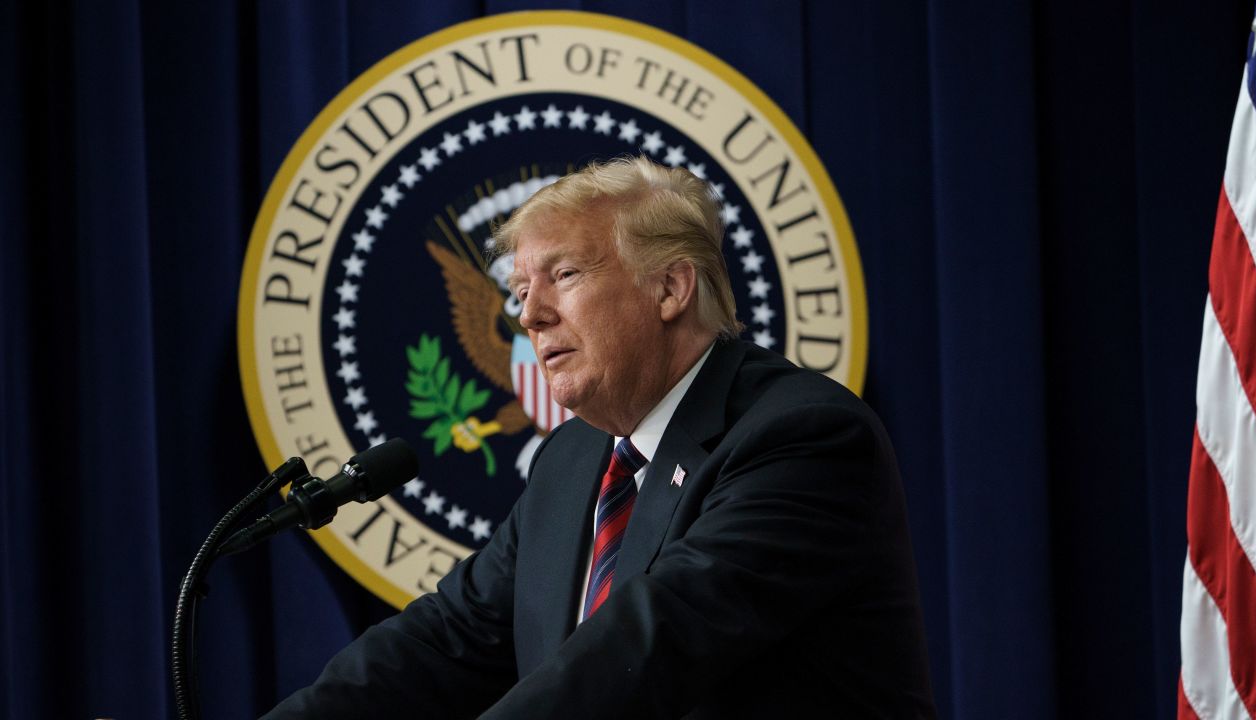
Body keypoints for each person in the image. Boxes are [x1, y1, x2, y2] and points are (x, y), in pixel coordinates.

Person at [265, 155, 935, 718]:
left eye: (563, 275)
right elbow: (451, 637)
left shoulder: (802, 439)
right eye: (521, 289)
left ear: (670, 287)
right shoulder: (575, 457)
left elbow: (647, 644)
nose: (529, 314)